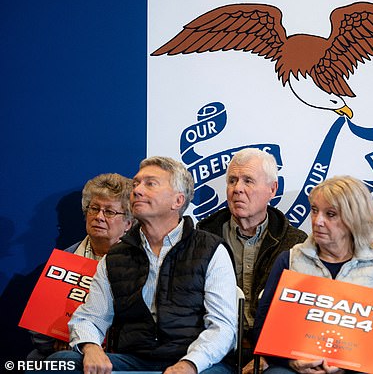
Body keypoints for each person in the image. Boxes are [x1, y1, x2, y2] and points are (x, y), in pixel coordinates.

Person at [47, 156, 237, 374]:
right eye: (136, 183)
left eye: (150, 184)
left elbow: (222, 327)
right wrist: (90, 347)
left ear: (177, 201)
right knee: (61, 362)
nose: (137, 190)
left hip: (197, 362)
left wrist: (190, 364)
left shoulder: (210, 250)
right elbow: (90, 318)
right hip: (133, 361)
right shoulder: (116, 257)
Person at [249, 175, 373, 374]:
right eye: (314, 210)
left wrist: (348, 366)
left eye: (330, 214)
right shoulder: (289, 260)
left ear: (354, 219)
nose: (317, 221)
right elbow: (263, 328)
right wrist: (291, 361)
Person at [197, 149, 307, 346]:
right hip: (215, 347)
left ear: (272, 189)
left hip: (273, 349)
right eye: (232, 181)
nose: (237, 189)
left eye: (248, 180)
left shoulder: (295, 243)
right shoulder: (203, 237)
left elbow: (299, 313)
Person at [27, 173, 134, 361]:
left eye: (109, 212)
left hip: (115, 352)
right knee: (38, 359)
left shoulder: (138, 263)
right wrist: (65, 341)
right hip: (64, 349)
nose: (99, 217)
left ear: (128, 223)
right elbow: (38, 331)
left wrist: (86, 343)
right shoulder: (64, 259)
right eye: (94, 208)